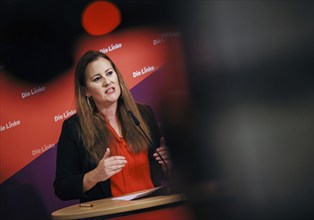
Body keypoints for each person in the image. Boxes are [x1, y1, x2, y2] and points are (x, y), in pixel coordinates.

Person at [54, 50, 171, 202]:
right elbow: (62, 188)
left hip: (153, 208)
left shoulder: (144, 114)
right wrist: (94, 176)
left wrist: (167, 164)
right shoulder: (74, 128)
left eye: (109, 73)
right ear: (86, 91)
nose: (107, 82)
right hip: (112, 215)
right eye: (97, 79)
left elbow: (162, 174)